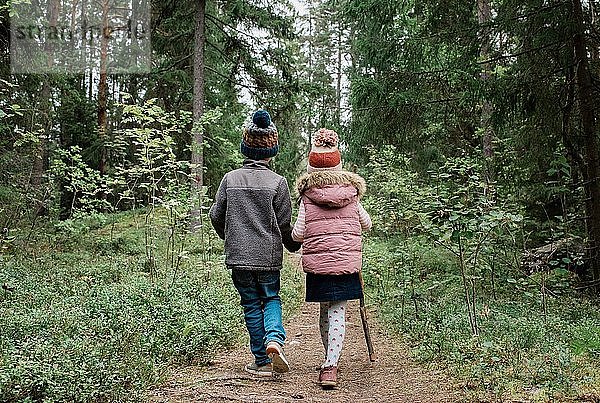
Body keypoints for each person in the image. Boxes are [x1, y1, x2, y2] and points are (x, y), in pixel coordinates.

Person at [210, 110, 301, 377]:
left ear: (245, 148)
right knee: (271, 298)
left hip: (238, 256)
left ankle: (261, 361)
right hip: (268, 257)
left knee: (251, 304)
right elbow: (284, 223)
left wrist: (231, 238)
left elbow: (216, 215)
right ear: (271, 152)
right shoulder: (278, 182)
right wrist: (293, 246)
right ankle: (274, 338)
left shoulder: (230, 179)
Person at [291, 128, 372, 388]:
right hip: (346, 264)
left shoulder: (307, 196)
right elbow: (367, 223)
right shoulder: (352, 194)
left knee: (325, 311)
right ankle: (331, 361)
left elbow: (299, 233)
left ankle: (330, 361)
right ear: (339, 166)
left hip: (319, 266)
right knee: (338, 310)